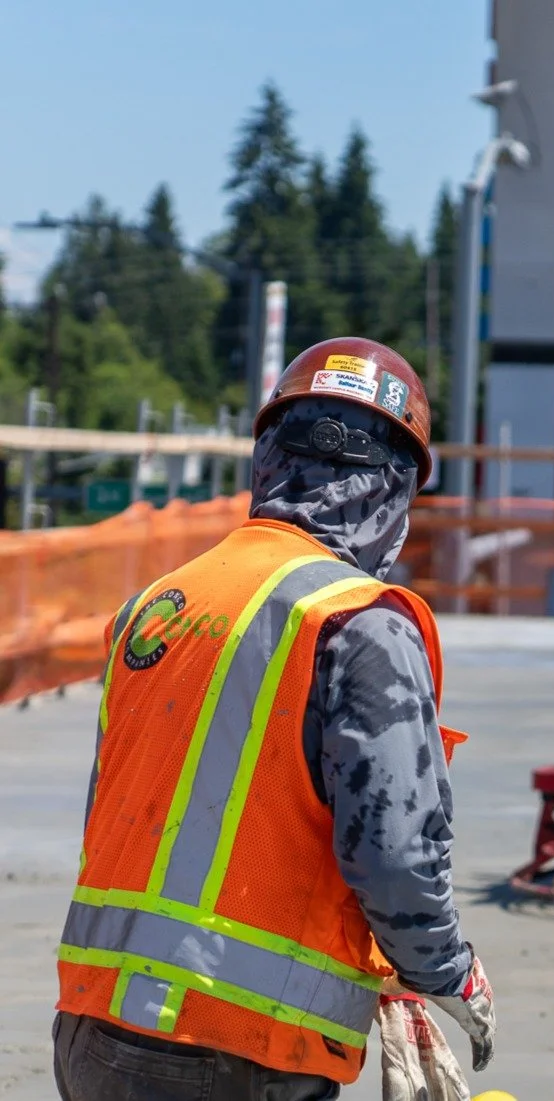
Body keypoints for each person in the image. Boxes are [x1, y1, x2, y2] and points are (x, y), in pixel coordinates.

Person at [52, 338, 496, 1101]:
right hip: (231, 1046)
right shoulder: (358, 621)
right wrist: (444, 969)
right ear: (391, 487)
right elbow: (392, 851)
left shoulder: (161, 603)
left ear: (267, 458)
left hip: (92, 1028)